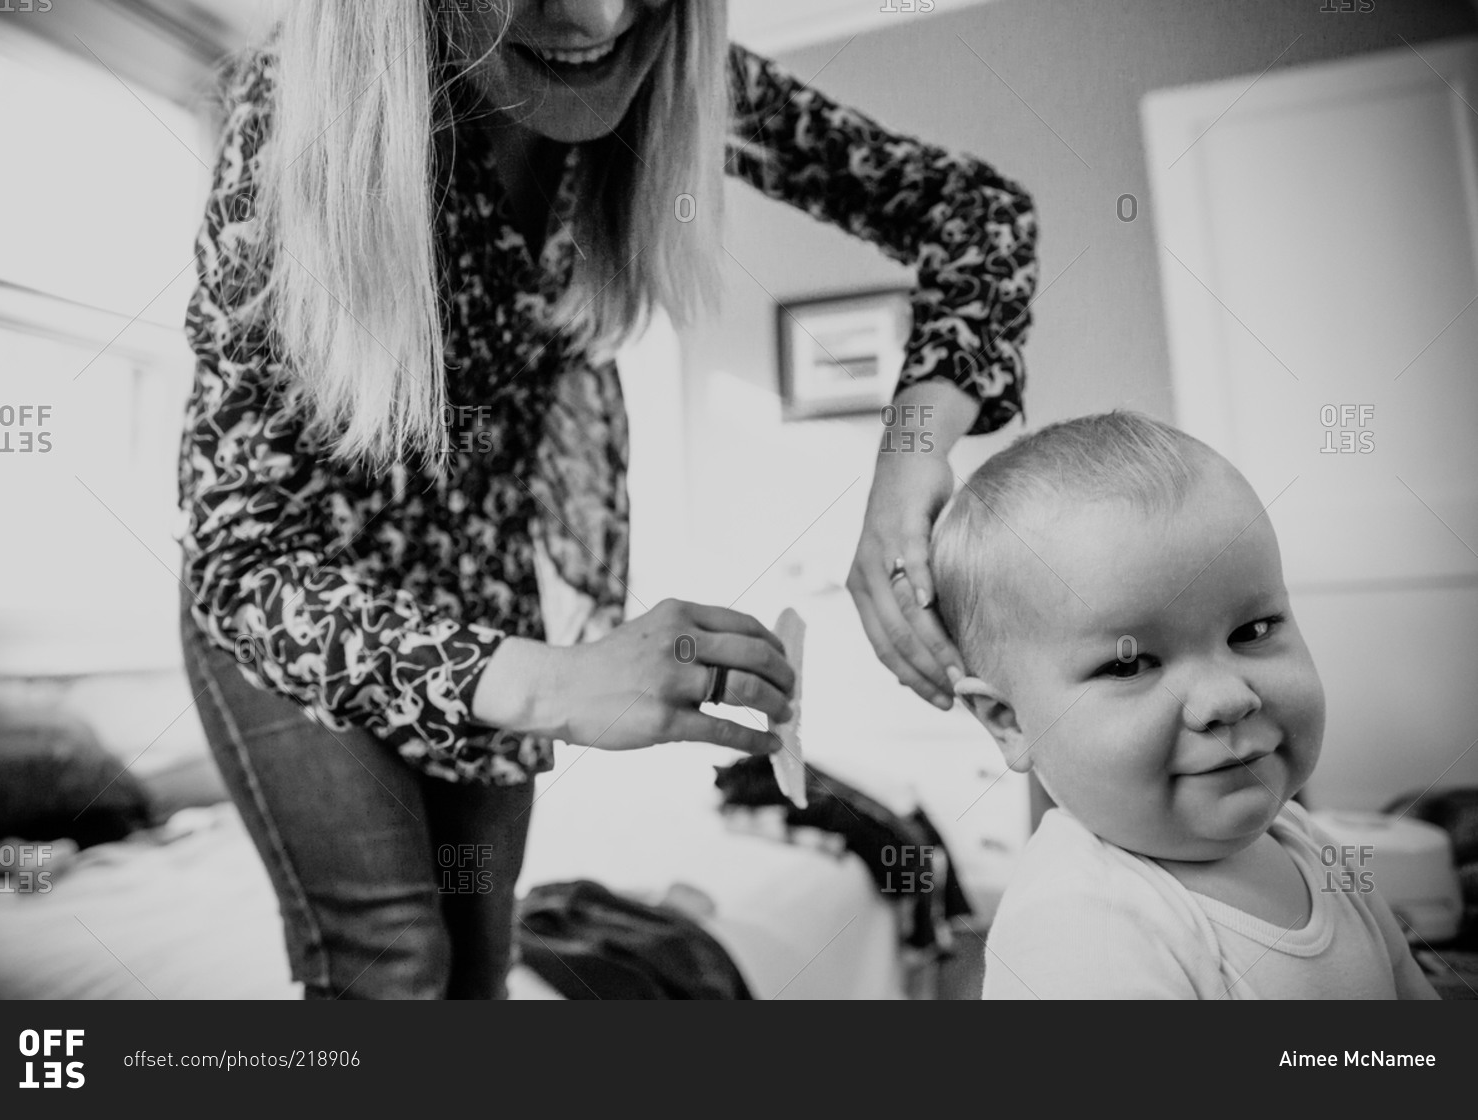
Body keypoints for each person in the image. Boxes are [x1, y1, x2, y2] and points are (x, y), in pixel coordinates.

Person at [179, 0, 1037, 999]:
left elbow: (974, 211)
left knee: (479, 963)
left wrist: (908, 460)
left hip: (478, 592)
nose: (595, 15)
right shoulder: (288, 124)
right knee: (395, 960)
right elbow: (240, 564)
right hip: (298, 611)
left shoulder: (674, 67)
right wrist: (562, 683)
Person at [929, 412, 1438, 999]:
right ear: (1009, 722)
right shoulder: (1080, 930)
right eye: (1129, 665)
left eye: (1252, 630)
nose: (1226, 698)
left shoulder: (1307, 842)